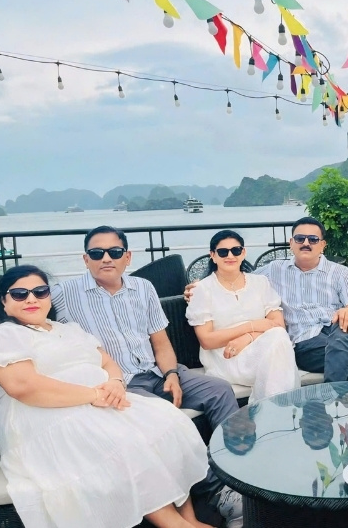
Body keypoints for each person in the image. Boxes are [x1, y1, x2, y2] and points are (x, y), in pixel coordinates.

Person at [0, 266, 212, 528]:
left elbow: (107, 361)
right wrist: (93, 394)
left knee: (167, 424)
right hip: (43, 414)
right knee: (126, 444)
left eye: (40, 292)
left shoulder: (67, 329)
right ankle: (176, 525)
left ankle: (189, 518)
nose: (32, 299)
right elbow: (24, 387)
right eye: (20, 294)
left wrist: (116, 383)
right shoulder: (3, 335)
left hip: (99, 402)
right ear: (4, 301)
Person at [53, 225, 240, 525]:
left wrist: (172, 374)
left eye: (114, 252)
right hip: (120, 385)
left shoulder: (143, 288)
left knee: (220, 391)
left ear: (127, 257)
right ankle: (214, 491)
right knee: (163, 422)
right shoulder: (64, 294)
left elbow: (161, 343)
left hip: (158, 372)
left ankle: (234, 480)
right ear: (85, 259)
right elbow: (19, 309)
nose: (106, 258)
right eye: (96, 253)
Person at [186, 230, 299, 402]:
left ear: (243, 252)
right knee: (280, 354)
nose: (230, 256)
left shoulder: (260, 282)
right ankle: (278, 410)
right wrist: (250, 326)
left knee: (279, 338)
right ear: (213, 256)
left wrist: (248, 337)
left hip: (261, 350)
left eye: (236, 250)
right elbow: (207, 340)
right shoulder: (202, 289)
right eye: (223, 252)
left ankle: (272, 410)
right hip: (227, 357)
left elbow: (278, 325)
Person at [254, 217, 348, 382]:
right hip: (305, 339)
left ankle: (333, 397)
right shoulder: (274, 269)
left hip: (339, 328)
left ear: (322, 245)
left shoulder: (340, 272)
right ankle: (343, 397)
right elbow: (240, 280)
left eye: (313, 239)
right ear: (291, 243)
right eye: (300, 238)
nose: (306, 243)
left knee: (342, 336)